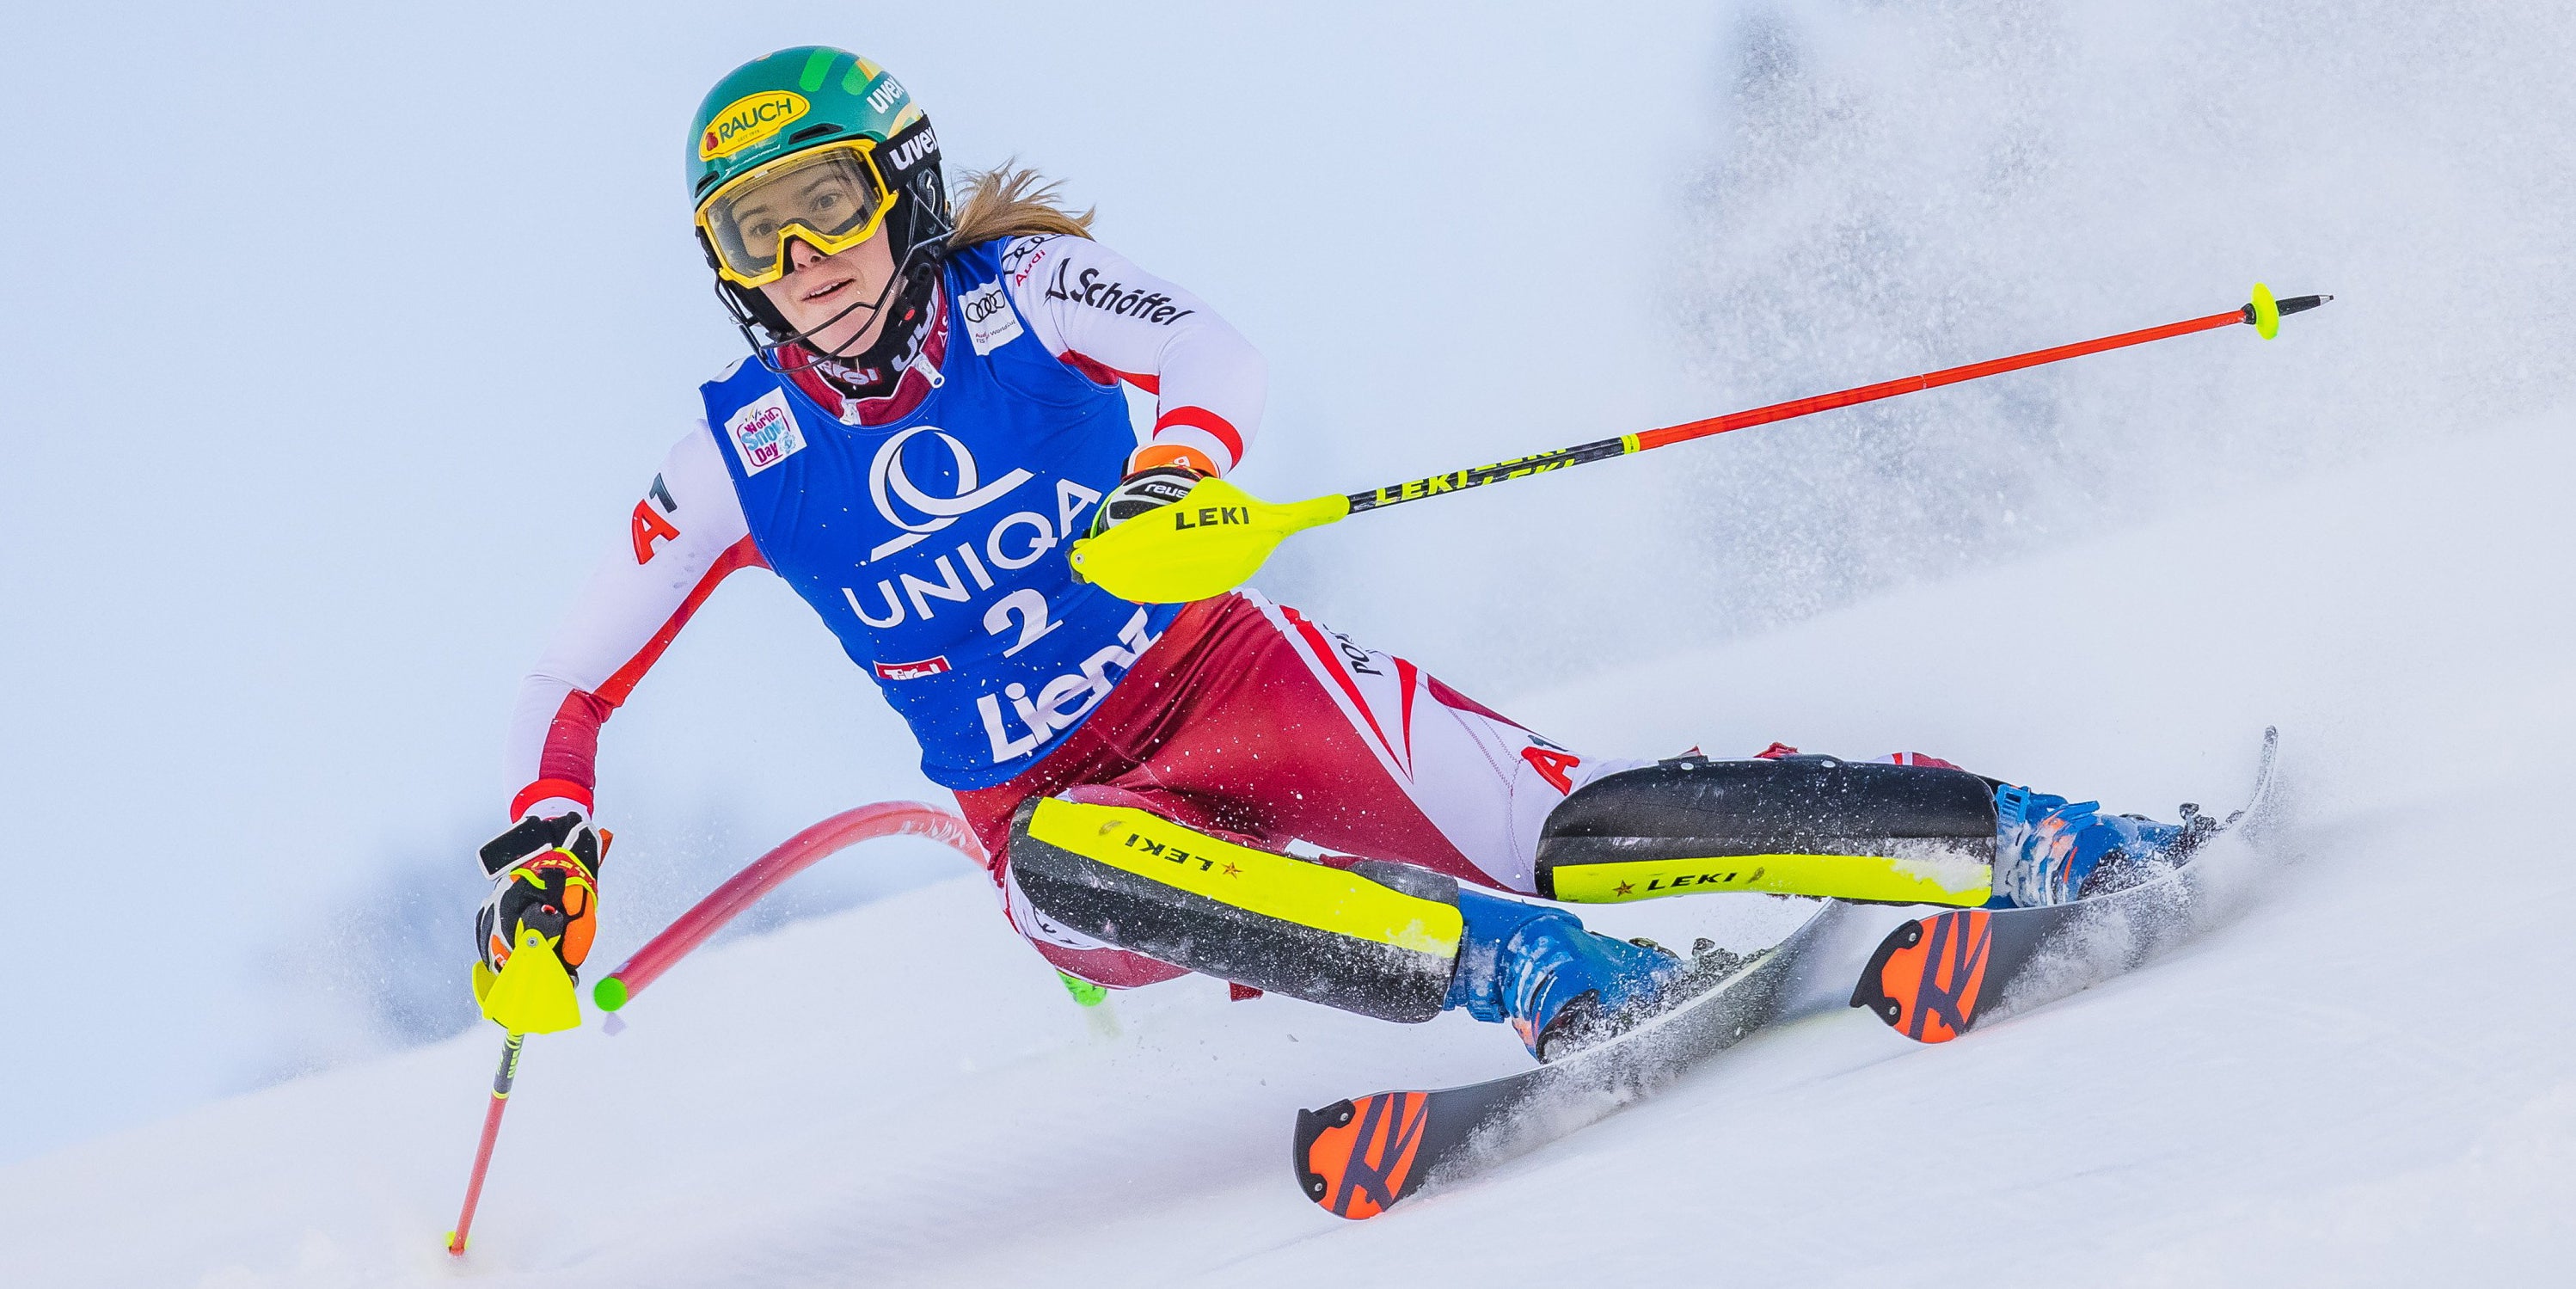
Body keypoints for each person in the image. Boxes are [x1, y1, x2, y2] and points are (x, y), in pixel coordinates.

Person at [470, 46, 2192, 1059]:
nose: (805, 262)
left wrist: (1173, 477)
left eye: (828, 204)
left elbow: (1212, 359)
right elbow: (572, 673)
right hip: (1063, 812)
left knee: (1569, 829)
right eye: (754, 237)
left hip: (1230, 682)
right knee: (1055, 870)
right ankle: (1532, 981)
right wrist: (547, 845)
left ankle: (2017, 833)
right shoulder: (737, 456)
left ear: (900, 188)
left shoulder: (1024, 293)